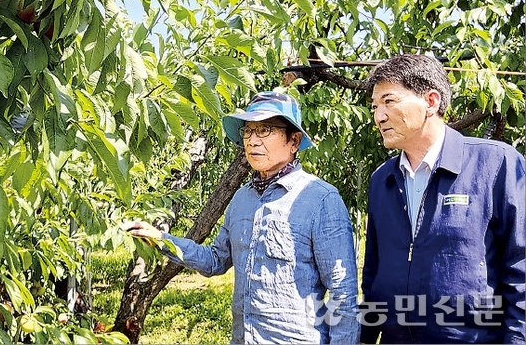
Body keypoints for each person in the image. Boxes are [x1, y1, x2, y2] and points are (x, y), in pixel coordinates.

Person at [127, 91, 360, 344]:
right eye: (248, 131)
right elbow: (216, 260)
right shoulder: (241, 199)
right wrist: (161, 239)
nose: (252, 141)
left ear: (294, 141)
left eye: (265, 130)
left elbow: (342, 293)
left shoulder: (320, 199)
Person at [360, 54, 525, 344]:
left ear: (431, 102)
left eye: (389, 101)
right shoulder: (383, 180)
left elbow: (520, 265)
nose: (379, 116)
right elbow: (373, 270)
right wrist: (366, 337)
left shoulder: (496, 164)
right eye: (375, 106)